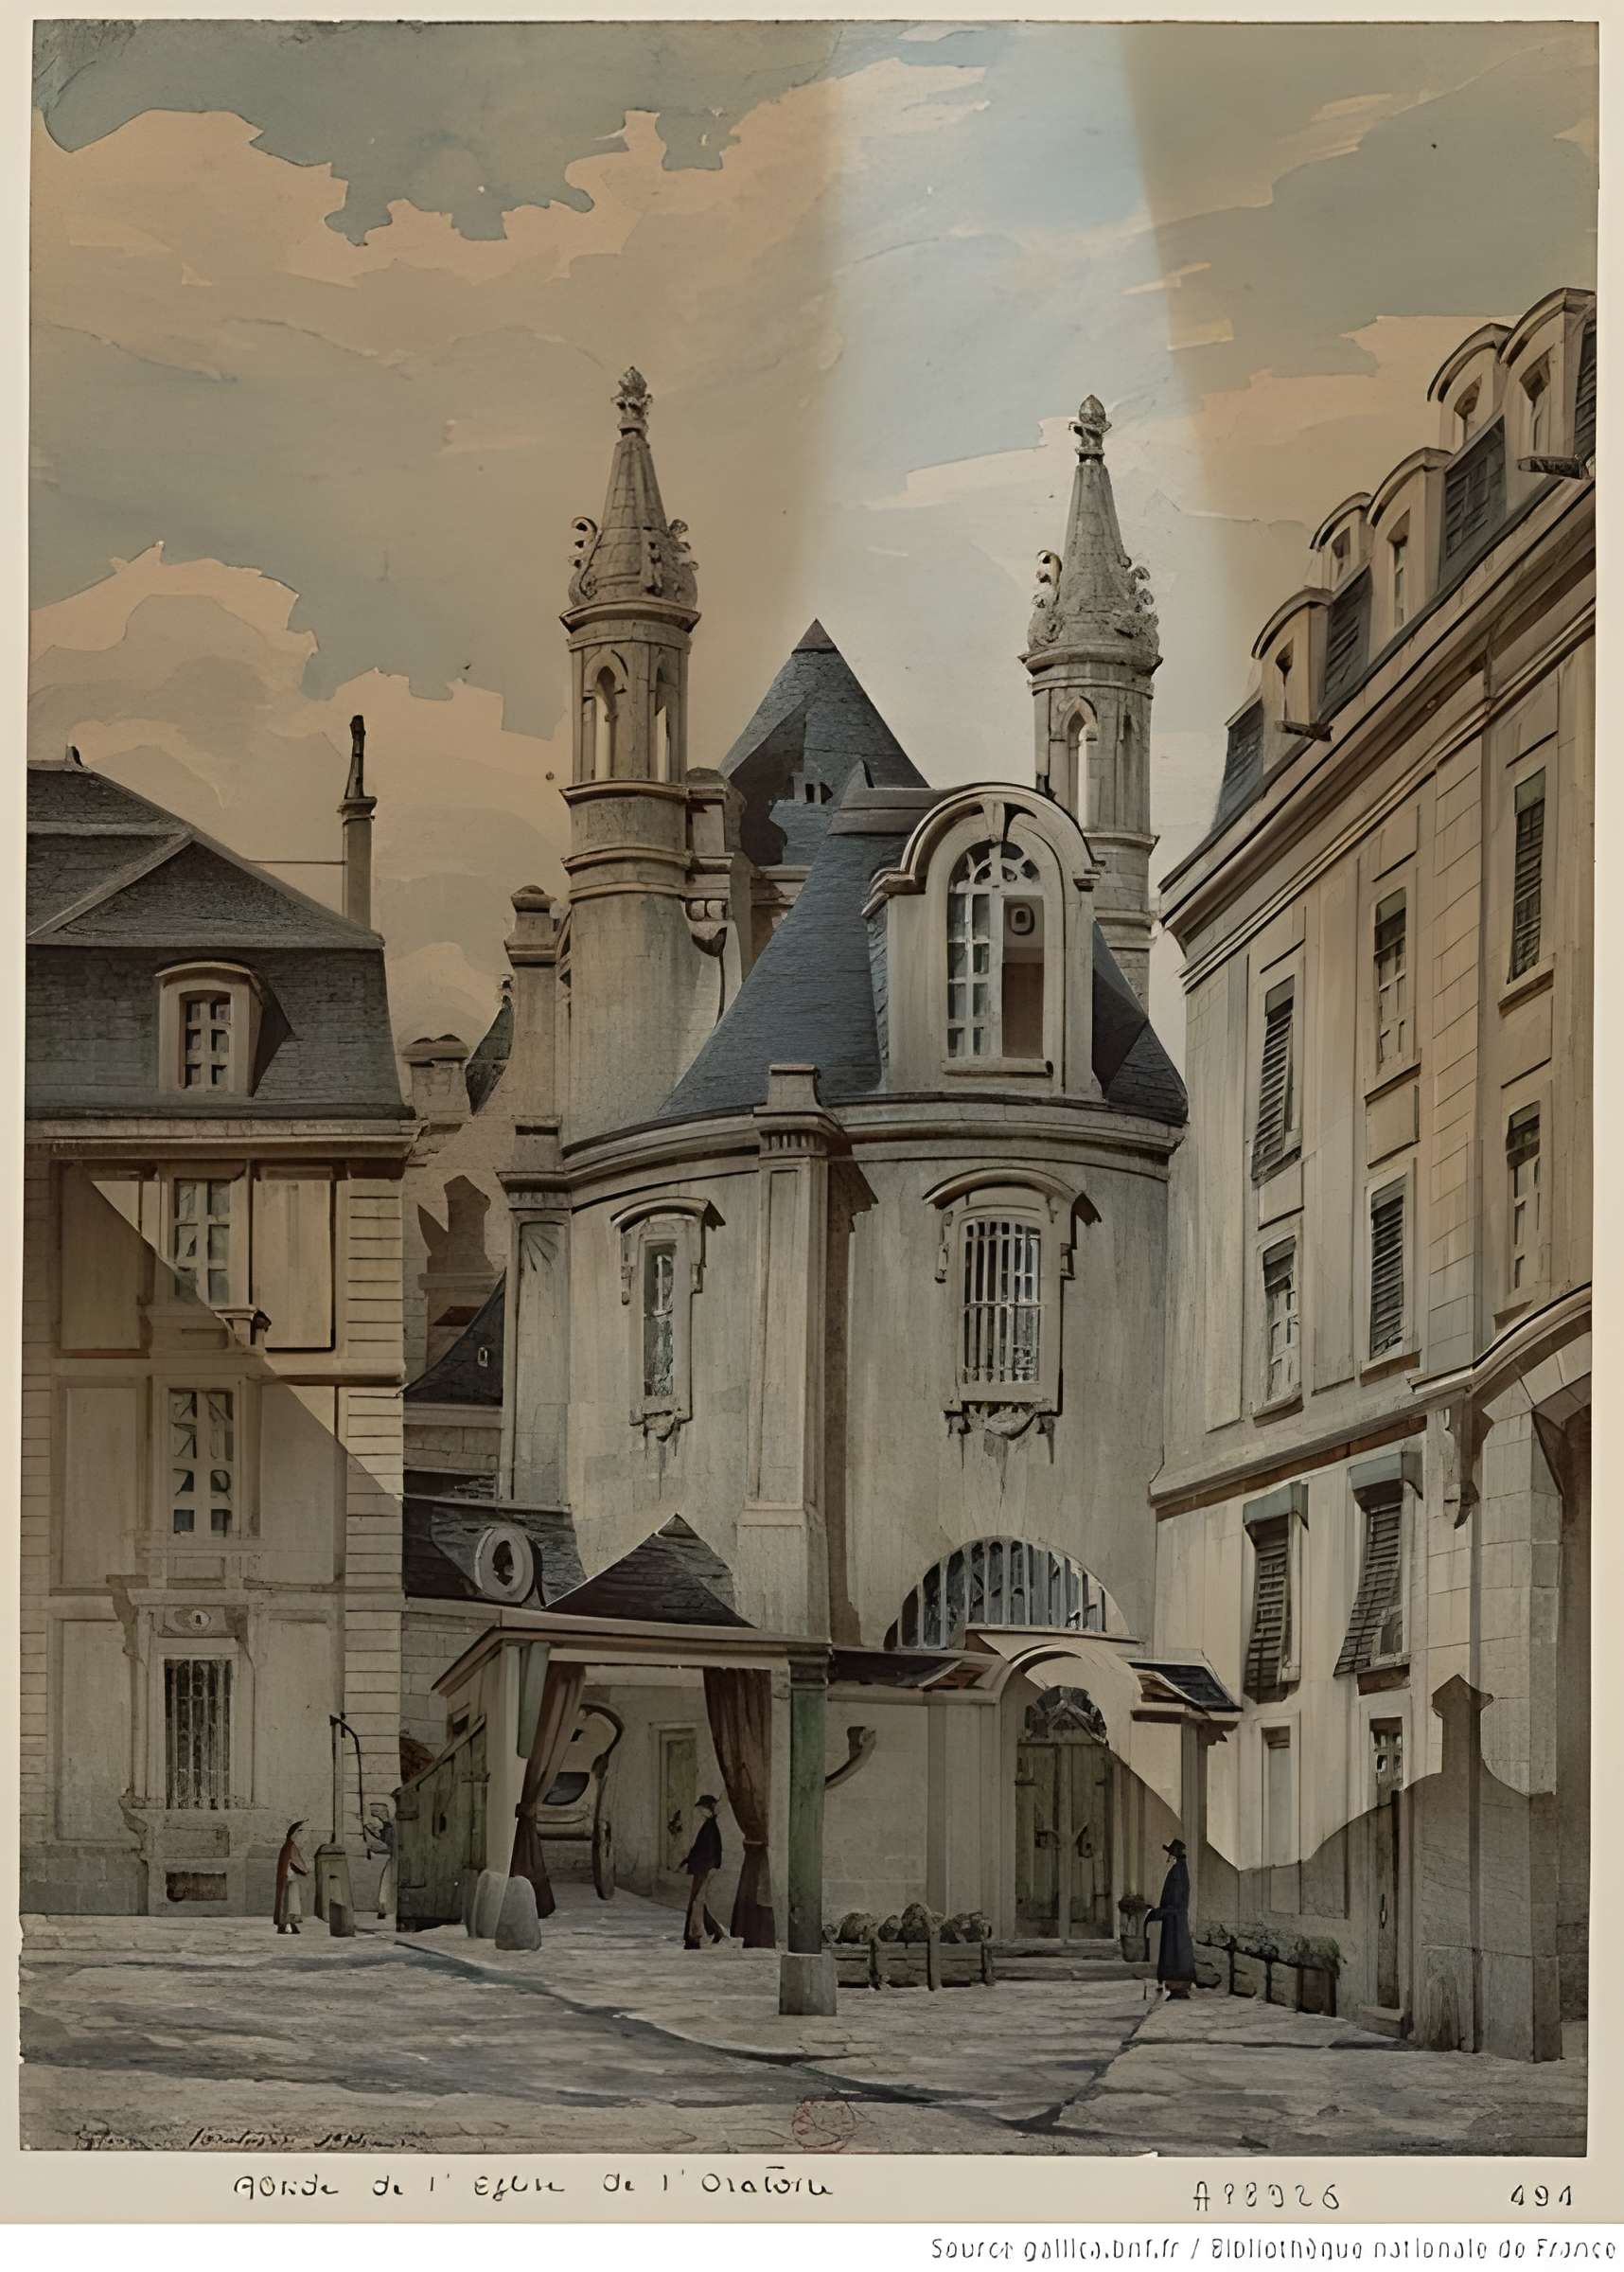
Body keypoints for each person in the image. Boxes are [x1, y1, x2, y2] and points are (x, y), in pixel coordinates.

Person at [1147, 1836, 1196, 1998]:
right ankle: (1177, 1986)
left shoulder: (1177, 1872)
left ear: (1174, 1855)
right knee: (1176, 1953)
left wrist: (1159, 1912)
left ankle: (1178, 1987)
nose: (1168, 1857)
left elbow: (1175, 1902)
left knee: (1175, 1953)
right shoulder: (1180, 1870)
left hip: (1175, 1921)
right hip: (1175, 1920)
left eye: (1170, 1854)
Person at [680, 1794, 727, 1949]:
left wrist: (710, 1868)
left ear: (709, 1809)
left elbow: (711, 1852)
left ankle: (695, 1936)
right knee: (699, 1901)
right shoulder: (708, 1826)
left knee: (696, 1901)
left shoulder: (711, 1828)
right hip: (702, 1868)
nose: (701, 1812)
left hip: (704, 1869)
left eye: (703, 1809)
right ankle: (715, 1931)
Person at [274, 1819, 309, 1936]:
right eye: (299, 1831)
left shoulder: (286, 1846)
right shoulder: (291, 1846)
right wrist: (305, 1870)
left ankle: (286, 1926)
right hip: (290, 1877)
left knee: (286, 1902)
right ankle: (289, 1926)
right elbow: (297, 1860)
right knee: (292, 1903)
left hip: (285, 1877)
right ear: (294, 1833)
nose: (300, 1834)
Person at [365, 1803, 397, 1922]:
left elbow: (389, 1843)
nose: (376, 1815)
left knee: (388, 1882)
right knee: (386, 1882)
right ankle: (384, 1908)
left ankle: (386, 1908)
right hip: (394, 1858)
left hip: (396, 1859)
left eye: (377, 1811)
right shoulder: (388, 1825)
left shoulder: (392, 1824)